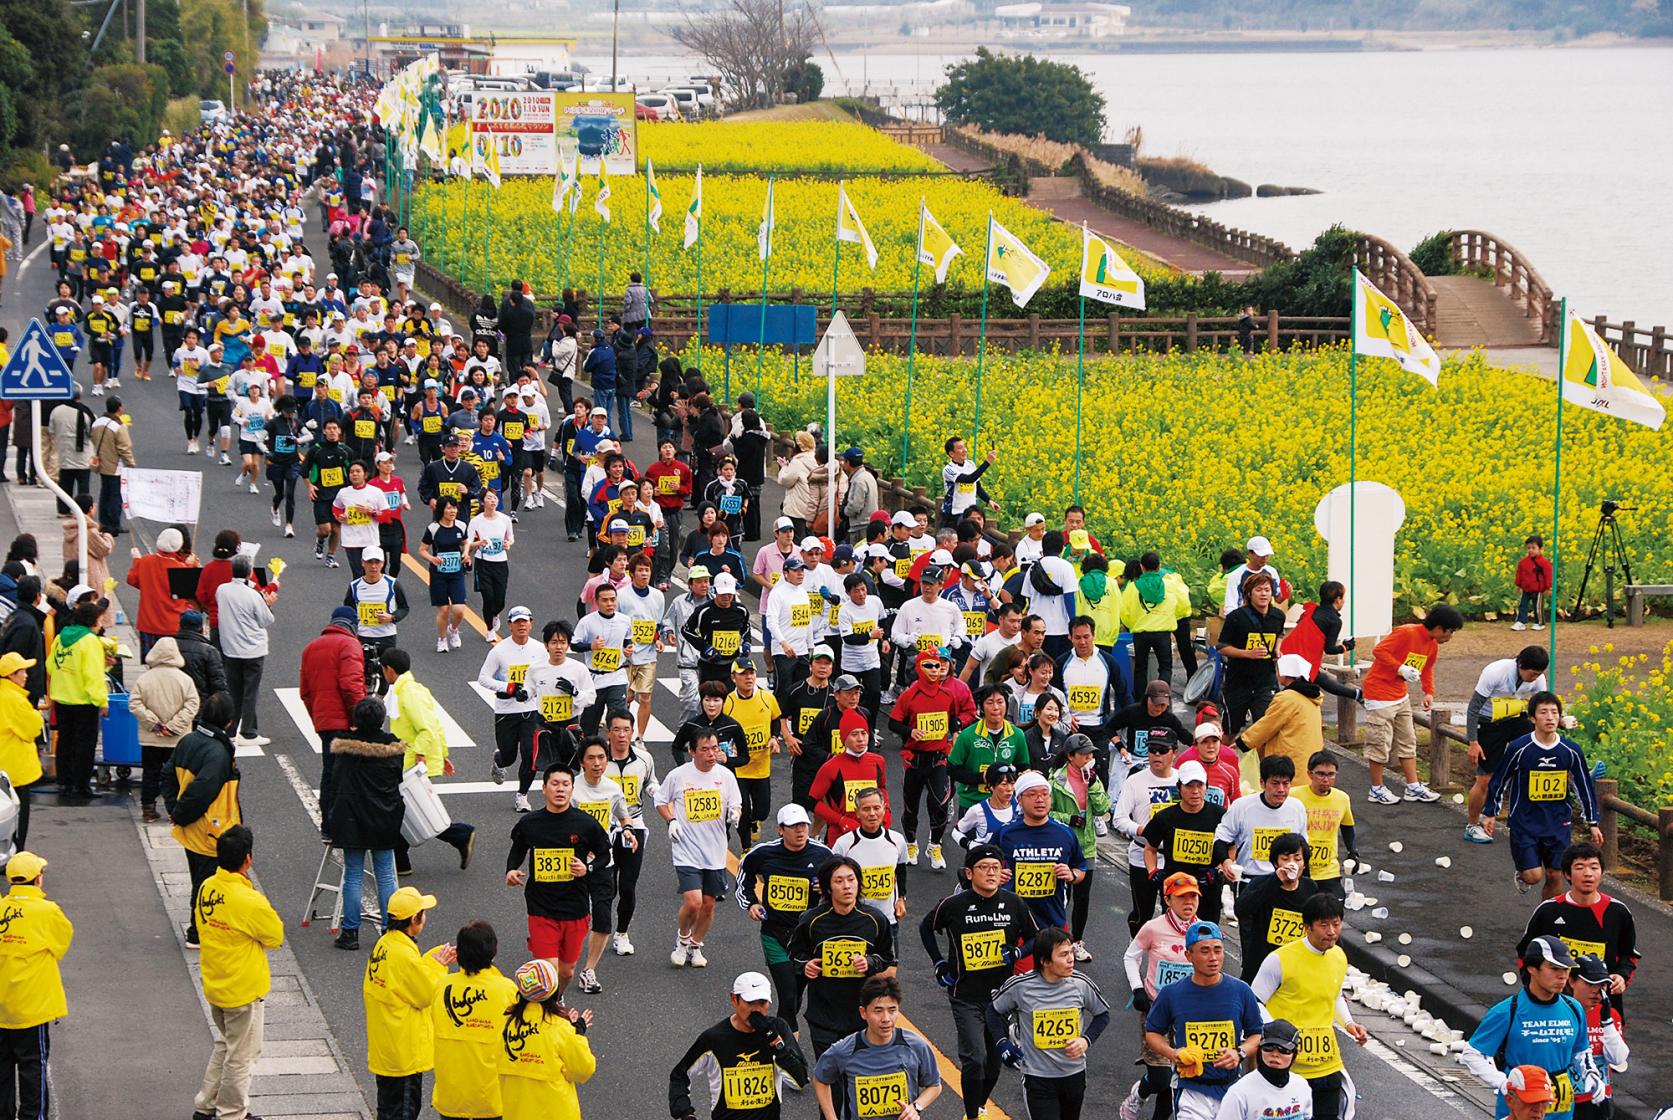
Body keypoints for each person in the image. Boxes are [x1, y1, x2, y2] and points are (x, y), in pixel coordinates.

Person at [918, 843, 1036, 1120]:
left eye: (996, 868)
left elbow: (1035, 937)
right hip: (966, 994)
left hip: (1001, 998)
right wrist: (938, 962)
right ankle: (971, 1115)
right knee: (975, 1059)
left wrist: (1018, 952)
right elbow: (926, 927)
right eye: (984, 868)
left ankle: (980, 1105)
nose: (991, 873)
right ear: (969, 873)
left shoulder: (1014, 903)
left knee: (994, 1065)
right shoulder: (954, 904)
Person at [191, 824, 285, 1120]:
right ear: (248, 858)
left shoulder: (208, 887)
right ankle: (232, 1113)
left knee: (226, 1046)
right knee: (242, 1056)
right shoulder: (248, 900)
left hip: (216, 982)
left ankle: (206, 1104)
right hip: (243, 989)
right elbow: (275, 936)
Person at [1250, 892, 1366, 1119]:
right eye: (1324, 925)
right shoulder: (1280, 959)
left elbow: (1334, 995)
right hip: (1287, 1064)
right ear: (1307, 927)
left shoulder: (1339, 956)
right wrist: (1279, 1034)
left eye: (1336, 924)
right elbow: (1254, 1002)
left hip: (1326, 1061)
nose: (1331, 931)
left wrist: (1350, 1023)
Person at [504, 763, 613, 998]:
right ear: (544, 789)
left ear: (572, 790)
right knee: (548, 970)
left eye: (566, 784)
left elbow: (605, 853)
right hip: (540, 906)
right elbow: (518, 848)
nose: (560, 789)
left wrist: (588, 867)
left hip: (575, 906)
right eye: (555, 784)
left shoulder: (585, 823)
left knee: (567, 972)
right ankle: (550, 1007)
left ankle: (556, 997)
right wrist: (511, 870)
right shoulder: (530, 823)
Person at [1483, 692, 1603, 899]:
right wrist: (1490, 813)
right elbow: (1499, 780)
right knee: (1533, 876)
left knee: (1555, 874)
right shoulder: (1518, 748)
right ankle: (1523, 873)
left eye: (1554, 712)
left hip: (1558, 822)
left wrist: (1593, 822)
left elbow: (1584, 786)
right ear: (1532, 718)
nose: (1549, 717)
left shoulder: (1571, 750)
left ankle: (1547, 922)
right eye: (1543, 712)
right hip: (1525, 821)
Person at [1141, 920, 1265, 1120]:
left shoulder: (1241, 990)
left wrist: (1239, 1053)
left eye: (1218, 950)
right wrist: (1173, 1053)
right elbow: (1153, 1032)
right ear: (1188, 955)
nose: (1213, 958)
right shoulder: (1172, 994)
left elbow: (1256, 1034)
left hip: (1231, 1087)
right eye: (1205, 951)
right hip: (1191, 1088)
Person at [985, 926, 1111, 1120]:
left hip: (1074, 1075)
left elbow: (1103, 1015)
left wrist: (1086, 1040)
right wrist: (1002, 1044)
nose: (1071, 959)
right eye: (1063, 954)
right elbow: (993, 1011)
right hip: (1038, 1079)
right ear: (1044, 961)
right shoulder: (1020, 986)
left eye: (1071, 952)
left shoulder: (1081, 984)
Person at [1461, 935, 1593, 1120]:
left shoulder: (1574, 1008)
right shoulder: (1507, 1011)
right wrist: (1503, 1083)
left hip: (1561, 1106)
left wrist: (1590, 1072)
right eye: (1554, 968)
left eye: (1565, 968)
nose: (1562, 975)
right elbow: (1471, 1054)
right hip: (1521, 1103)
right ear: (1532, 968)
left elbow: (1581, 1051)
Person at [735, 803, 834, 1037]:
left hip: (806, 937)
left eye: (804, 825)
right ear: (780, 830)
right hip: (774, 934)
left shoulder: (823, 854)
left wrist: (826, 887)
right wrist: (751, 903)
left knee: (796, 996)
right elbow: (744, 874)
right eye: (793, 826)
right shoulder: (764, 853)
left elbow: (843, 882)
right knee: (788, 994)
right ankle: (788, 1051)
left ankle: (779, 1039)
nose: (800, 831)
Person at [793, 855, 900, 1061]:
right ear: (827, 887)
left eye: (851, 879)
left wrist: (869, 962)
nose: (846, 886)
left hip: (861, 1014)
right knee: (829, 1075)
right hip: (823, 1014)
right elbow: (795, 954)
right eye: (839, 881)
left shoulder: (875, 920)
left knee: (857, 1078)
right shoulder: (811, 920)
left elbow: (887, 957)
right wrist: (806, 965)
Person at [381, 648, 476, 875]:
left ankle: (461, 834)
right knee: (405, 809)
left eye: (383, 670)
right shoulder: (404, 690)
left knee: (407, 810)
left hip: (411, 761)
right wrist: (442, 754)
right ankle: (401, 860)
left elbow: (426, 727)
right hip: (409, 758)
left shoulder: (407, 693)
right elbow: (436, 723)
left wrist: (425, 756)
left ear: (389, 670)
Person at [364, 886, 456, 1120]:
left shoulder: (386, 943)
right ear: (414, 919)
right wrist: (439, 965)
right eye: (422, 913)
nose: (424, 917)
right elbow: (425, 994)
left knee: (387, 1109)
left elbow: (406, 982)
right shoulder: (403, 954)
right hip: (403, 1050)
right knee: (403, 1111)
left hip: (386, 1045)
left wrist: (430, 962)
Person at [1516, 842, 1638, 1019]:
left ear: (1602, 873)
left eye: (1594, 867)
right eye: (1580, 867)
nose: (1588, 873)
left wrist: (1621, 977)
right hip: (1553, 1007)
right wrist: (1535, 991)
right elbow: (1525, 954)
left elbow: (1629, 955)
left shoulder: (1618, 912)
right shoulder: (1548, 911)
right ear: (1567, 874)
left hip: (1601, 1008)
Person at [669, 970, 810, 1120]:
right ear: (734, 999)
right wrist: (685, 1113)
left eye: (762, 1003)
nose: (756, 1009)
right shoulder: (714, 1038)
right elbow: (679, 1075)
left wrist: (777, 1045)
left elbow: (799, 1081)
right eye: (750, 1002)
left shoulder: (778, 1030)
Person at [656, 730, 743, 968]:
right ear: (692, 752)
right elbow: (660, 800)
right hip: (687, 848)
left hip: (715, 851)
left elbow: (736, 803)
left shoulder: (725, 776)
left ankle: (696, 945)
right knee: (693, 902)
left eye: (714, 748)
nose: (711, 754)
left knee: (708, 904)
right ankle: (682, 939)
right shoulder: (679, 775)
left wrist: (735, 813)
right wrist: (671, 820)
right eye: (704, 749)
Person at [1119, 871, 1202, 1120]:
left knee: (1176, 1075)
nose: (1189, 903)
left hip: (1188, 1012)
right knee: (1160, 1077)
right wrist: (1137, 988)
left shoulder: (1202, 929)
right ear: (1168, 900)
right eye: (1182, 897)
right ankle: (1138, 1093)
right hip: (1156, 1008)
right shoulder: (1153, 928)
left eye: (1193, 897)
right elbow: (1130, 956)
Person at [1362, 604, 1464, 805]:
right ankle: (1376, 788)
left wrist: (1428, 692)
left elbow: (1427, 668)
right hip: (1379, 693)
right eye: (1451, 631)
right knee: (1379, 743)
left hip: (1401, 696)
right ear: (1439, 628)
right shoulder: (1407, 632)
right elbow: (1379, 650)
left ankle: (1413, 786)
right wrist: (1400, 668)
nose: (1450, 636)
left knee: (1408, 740)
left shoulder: (1432, 645)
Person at [164, 691, 242, 949]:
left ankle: (201, 927)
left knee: (198, 876)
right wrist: (180, 813)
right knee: (207, 882)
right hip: (211, 829)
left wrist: (174, 809)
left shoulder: (188, 741)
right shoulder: (218, 753)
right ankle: (198, 931)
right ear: (229, 722)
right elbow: (202, 793)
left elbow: (167, 775)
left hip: (190, 829)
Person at [328, 697, 407, 951]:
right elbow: (397, 779)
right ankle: (390, 929)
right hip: (384, 817)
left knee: (352, 874)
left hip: (351, 818)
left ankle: (350, 932)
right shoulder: (393, 749)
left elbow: (334, 782)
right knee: (385, 874)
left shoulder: (345, 748)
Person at [0, 851, 73, 1120]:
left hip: (2, 1006)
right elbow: (60, 944)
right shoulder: (47, 911)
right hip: (32, 1006)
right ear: (37, 879)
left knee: (3, 1066)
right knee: (33, 1065)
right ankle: (33, 1116)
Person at [889, 648, 974, 870]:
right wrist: (910, 732)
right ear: (919, 667)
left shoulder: (947, 695)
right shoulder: (909, 695)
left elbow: (954, 717)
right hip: (914, 760)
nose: (935, 670)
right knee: (911, 806)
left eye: (938, 666)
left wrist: (954, 731)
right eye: (929, 665)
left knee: (940, 804)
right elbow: (893, 722)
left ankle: (934, 845)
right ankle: (910, 843)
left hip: (938, 759)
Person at [810, 976, 940, 1120]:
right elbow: (820, 1079)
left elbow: (934, 1085)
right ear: (863, 1013)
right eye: (878, 1011)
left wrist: (916, 1107)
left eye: (892, 1010)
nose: (886, 1018)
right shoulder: (845, 1049)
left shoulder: (915, 1045)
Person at [571, 732, 640, 994]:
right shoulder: (573, 789)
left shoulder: (612, 788)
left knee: (602, 918)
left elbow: (624, 816)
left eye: (602, 757)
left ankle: (589, 970)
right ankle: (562, 962)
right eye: (591, 758)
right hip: (573, 863)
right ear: (582, 762)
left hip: (603, 862)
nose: (598, 763)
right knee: (574, 917)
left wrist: (628, 831)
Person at [429, 920, 517, 1120]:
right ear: (493, 953)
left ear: (457, 953)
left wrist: (438, 967)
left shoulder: (442, 986)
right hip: (491, 1096)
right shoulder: (506, 989)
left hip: (450, 1095)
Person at [993, 771, 1087, 950]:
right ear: (1019, 799)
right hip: (1015, 919)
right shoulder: (1005, 833)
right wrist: (996, 876)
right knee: (1023, 976)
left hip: (1054, 919)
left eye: (1045, 794)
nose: (1040, 799)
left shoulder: (1065, 833)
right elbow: (982, 867)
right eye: (1032, 794)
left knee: (1057, 974)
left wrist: (1071, 874)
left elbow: (1081, 868)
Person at [1465, 646, 1549, 844]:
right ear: (1520, 665)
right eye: (1532, 673)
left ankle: (1531, 821)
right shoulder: (1495, 672)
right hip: (1489, 724)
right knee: (1485, 778)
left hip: (1515, 719)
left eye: (1539, 674)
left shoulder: (1538, 679)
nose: (1535, 678)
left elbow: (1543, 706)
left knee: (1538, 760)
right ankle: (1472, 825)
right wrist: (1473, 742)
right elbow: (1473, 708)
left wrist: (1558, 720)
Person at [499, 958, 596, 1120]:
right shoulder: (561, 1028)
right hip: (555, 1112)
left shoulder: (505, 1024)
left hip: (515, 1111)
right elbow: (583, 1069)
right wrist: (576, 1033)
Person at [300, 605, 367, 840]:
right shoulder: (349, 645)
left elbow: (305, 692)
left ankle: (328, 825)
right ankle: (348, 824)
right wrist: (358, 717)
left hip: (324, 721)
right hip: (345, 721)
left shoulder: (310, 648)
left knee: (329, 771)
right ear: (352, 625)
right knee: (350, 773)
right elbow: (351, 685)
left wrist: (317, 718)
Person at [1048, 735, 1111, 958]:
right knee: (1060, 895)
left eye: (1091, 753)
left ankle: (1077, 942)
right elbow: (1047, 811)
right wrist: (1069, 818)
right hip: (1063, 845)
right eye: (1084, 754)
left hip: (1087, 845)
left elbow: (1104, 807)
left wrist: (1093, 784)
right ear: (1070, 756)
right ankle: (1057, 940)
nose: (1089, 758)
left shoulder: (1092, 778)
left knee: (1082, 898)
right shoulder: (1056, 780)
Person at [1112, 729, 1179, 938]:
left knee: (1174, 911)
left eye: (1162, 750)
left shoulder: (1182, 780)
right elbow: (1119, 819)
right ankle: (1136, 949)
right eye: (1152, 750)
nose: (1156, 755)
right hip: (1142, 854)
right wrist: (1143, 830)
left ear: (1174, 752)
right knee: (1143, 911)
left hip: (1174, 857)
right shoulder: (1135, 780)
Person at [830, 788, 910, 950]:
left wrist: (901, 898)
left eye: (876, 808)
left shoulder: (897, 840)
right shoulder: (844, 844)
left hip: (888, 920)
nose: (872, 813)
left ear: (884, 808)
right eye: (866, 809)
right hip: (854, 921)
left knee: (888, 972)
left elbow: (900, 870)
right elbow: (832, 878)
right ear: (857, 813)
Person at [480, 605, 543, 811]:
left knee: (529, 754)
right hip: (506, 710)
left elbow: (545, 674)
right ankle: (499, 760)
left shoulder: (540, 649)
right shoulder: (499, 651)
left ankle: (522, 795)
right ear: (509, 625)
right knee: (510, 756)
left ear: (531, 624)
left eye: (525, 621)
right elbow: (483, 678)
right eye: (517, 622)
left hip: (531, 710)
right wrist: (507, 687)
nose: (521, 625)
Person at [130, 637, 199, 824]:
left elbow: (135, 703)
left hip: (151, 737)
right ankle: (175, 811)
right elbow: (192, 705)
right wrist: (174, 726)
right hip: (177, 738)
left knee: (150, 773)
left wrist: (155, 724)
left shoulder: (144, 679)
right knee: (176, 775)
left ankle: (148, 809)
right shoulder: (185, 679)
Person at [1232, 831, 1317, 981]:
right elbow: (1241, 909)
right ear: (1276, 863)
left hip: (1296, 966)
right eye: (1285, 859)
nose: (1292, 864)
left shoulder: (1310, 888)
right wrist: (1275, 881)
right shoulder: (1261, 884)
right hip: (1261, 966)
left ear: (1304, 864)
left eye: (1297, 859)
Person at [46, 597, 107, 800]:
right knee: (84, 745)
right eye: (100, 620)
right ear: (92, 622)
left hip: (62, 698)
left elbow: (50, 666)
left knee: (65, 741)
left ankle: (64, 782)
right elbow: (93, 675)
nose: (101, 624)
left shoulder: (61, 636)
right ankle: (82, 786)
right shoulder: (90, 641)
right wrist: (102, 701)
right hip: (83, 701)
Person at [1214, 754, 1308, 883]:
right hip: (1249, 881)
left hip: (1286, 881)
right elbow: (1220, 840)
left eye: (1286, 784)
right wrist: (1227, 862)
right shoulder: (1242, 806)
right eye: (1275, 783)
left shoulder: (1297, 807)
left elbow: (1303, 848)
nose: (1281, 789)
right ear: (1262, 783)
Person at [1214, 570, 1286, 737]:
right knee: (1231, 730)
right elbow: (1221, 647)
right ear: (1249, 593)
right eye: (1259, 590)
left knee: (1265, 730)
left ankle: (1263, 762)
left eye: (1267, 590)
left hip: (1265, 681)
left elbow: (1280, 633)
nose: (1263, 594)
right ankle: (1223, 760)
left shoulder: (1278, 616)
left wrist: (1276, 648)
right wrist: (1248, 653)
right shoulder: (1236, 617)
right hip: (1238, 681)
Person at [217, 554, 278, 748]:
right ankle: (249, 732)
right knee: (250, 691)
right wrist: (268, 603)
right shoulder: (253, 595)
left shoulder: (222, 590)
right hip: (252, 649)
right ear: (250, 572)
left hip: (230, 647)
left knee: (234, 690)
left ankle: (231, 729)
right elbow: (266, 620)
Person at [808, 709, 892, 844]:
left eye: (864, 733)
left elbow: (881, 788)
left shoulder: (878, 761)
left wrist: (886, 811)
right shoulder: (831, 766)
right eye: (854, 734)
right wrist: (841, 821)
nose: (860, 739)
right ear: (844, 738)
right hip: (841, 837)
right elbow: (813, 801)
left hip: (874, 832)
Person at [1236, 652, 1324, 776]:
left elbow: (1267, 725)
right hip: (1310, 757)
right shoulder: (1312, 697)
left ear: (1284, 674)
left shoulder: (1286, 698)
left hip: (1289, 759)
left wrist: (1242, 743)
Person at [1214, 1019, 1314, 1120]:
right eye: (1268, 1047)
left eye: (1283, 1050)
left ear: (1295, 1054)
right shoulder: (1239, 1092)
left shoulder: (1301, 1086)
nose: (1275, 1054)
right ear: (1260, 1049)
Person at [1295, 750, 1358, 900]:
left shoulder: (1342, 798)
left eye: (1331, 774)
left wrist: (1353, 853)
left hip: (1328, 870)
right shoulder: (1294, 796)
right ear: (1310, 774)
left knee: (1334, 909)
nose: (1326, 779)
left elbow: (1347, 827)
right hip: (1299, 869)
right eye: (1321, 774)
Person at [0, 652, 44, 848]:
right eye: (22, 671)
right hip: (15, 769)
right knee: (18, 817)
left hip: (5, 765)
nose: (26, 675)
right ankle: (15, 855)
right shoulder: (15, 700)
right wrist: (36, 715)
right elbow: (33, 728)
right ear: (11, 675)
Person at [418, 497, 471, 652]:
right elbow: (422, 549)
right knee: (443, 610)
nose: (452, 511)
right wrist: (432, 559)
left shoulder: (461, 526)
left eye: (454, 508)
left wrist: (466, 554)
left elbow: (466, 542)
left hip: (456, 573)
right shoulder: (433, 528)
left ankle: (453, 629)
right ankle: (442, 639)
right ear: (441, 510)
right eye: (448, 508)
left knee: (459, 609)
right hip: (439, 574)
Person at [89, 396, 135, 534]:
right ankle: (115, 523)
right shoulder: (118, 426)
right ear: (119, 408)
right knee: (116, 495)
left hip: (101, 462)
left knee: (105, 492)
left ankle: (104, 521)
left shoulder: (97, 423)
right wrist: (131, 464)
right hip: (115, 465)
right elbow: (124, 448)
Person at [1514, 535, 1554, 631]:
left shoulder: (1544, 562)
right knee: (1522, 605)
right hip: (1526, 589)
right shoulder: (1523, 562)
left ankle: (1539, 622)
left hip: (1538, 589)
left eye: (1533, 548)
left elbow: (1548, 575)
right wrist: (1518, 584)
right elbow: (1520, 573)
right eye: (1528, 548)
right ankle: (1521, 621)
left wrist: (1549, 587)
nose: (1530, 550)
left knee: (1538, 607)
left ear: (1540, 549)